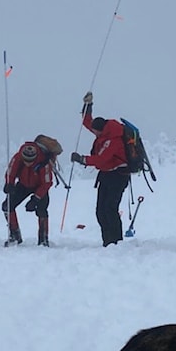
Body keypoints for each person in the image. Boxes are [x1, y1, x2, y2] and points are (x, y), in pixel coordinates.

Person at [70, 92, 130, 247]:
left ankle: (116, 242)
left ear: (100, 130)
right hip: (106, 175)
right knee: (100, 210)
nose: (93, 133)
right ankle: (108, 242)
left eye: (95, 131)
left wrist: (82, 159)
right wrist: (88, 105)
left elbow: (102, 159)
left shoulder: (113, 139)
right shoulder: (104, 132)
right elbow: (87, 122)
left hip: (118, 175)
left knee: (110, 208)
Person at [3, 141, 54, 246]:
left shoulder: (44, 163)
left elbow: (46, 183)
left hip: (40, 186)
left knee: (42, 210)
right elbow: (10, 172)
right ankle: (15, 235)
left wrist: (35, 199)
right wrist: (9, 184)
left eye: (30, 161)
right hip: (23, 184)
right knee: (7, 206)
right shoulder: (18, 158)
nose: (28, 163)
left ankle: (43, 238)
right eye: (25, 161)